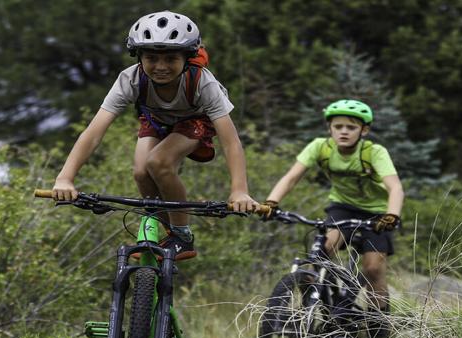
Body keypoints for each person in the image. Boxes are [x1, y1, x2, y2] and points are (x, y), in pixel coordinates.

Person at [49, 11, 257, 258]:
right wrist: (65, 178)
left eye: (171, 58)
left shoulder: (203, 83)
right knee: (140, 172)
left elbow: (231, 143)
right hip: (155, 120)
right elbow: (93, 133)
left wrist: (239, 191)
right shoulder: (130, 79)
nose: (160, 67)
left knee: (158, 162)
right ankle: (162, 228)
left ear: (187, 57)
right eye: (151, 58)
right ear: (139, 57)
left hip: (195, 120)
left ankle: (182, 235)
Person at [260, 99, 404, 320]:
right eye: (338, 126)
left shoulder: (374, 152)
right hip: (342, 207)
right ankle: (316, 309)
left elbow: (395, 187)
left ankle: (378, 326)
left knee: (373, 269)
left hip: (377, 213)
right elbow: (291, 178)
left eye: (351, 127)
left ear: (364, 130)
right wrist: (271, 202)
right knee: (322, 251)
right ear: (330, 128)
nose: (344, 131)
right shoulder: (320, 147)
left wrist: (391, 215)